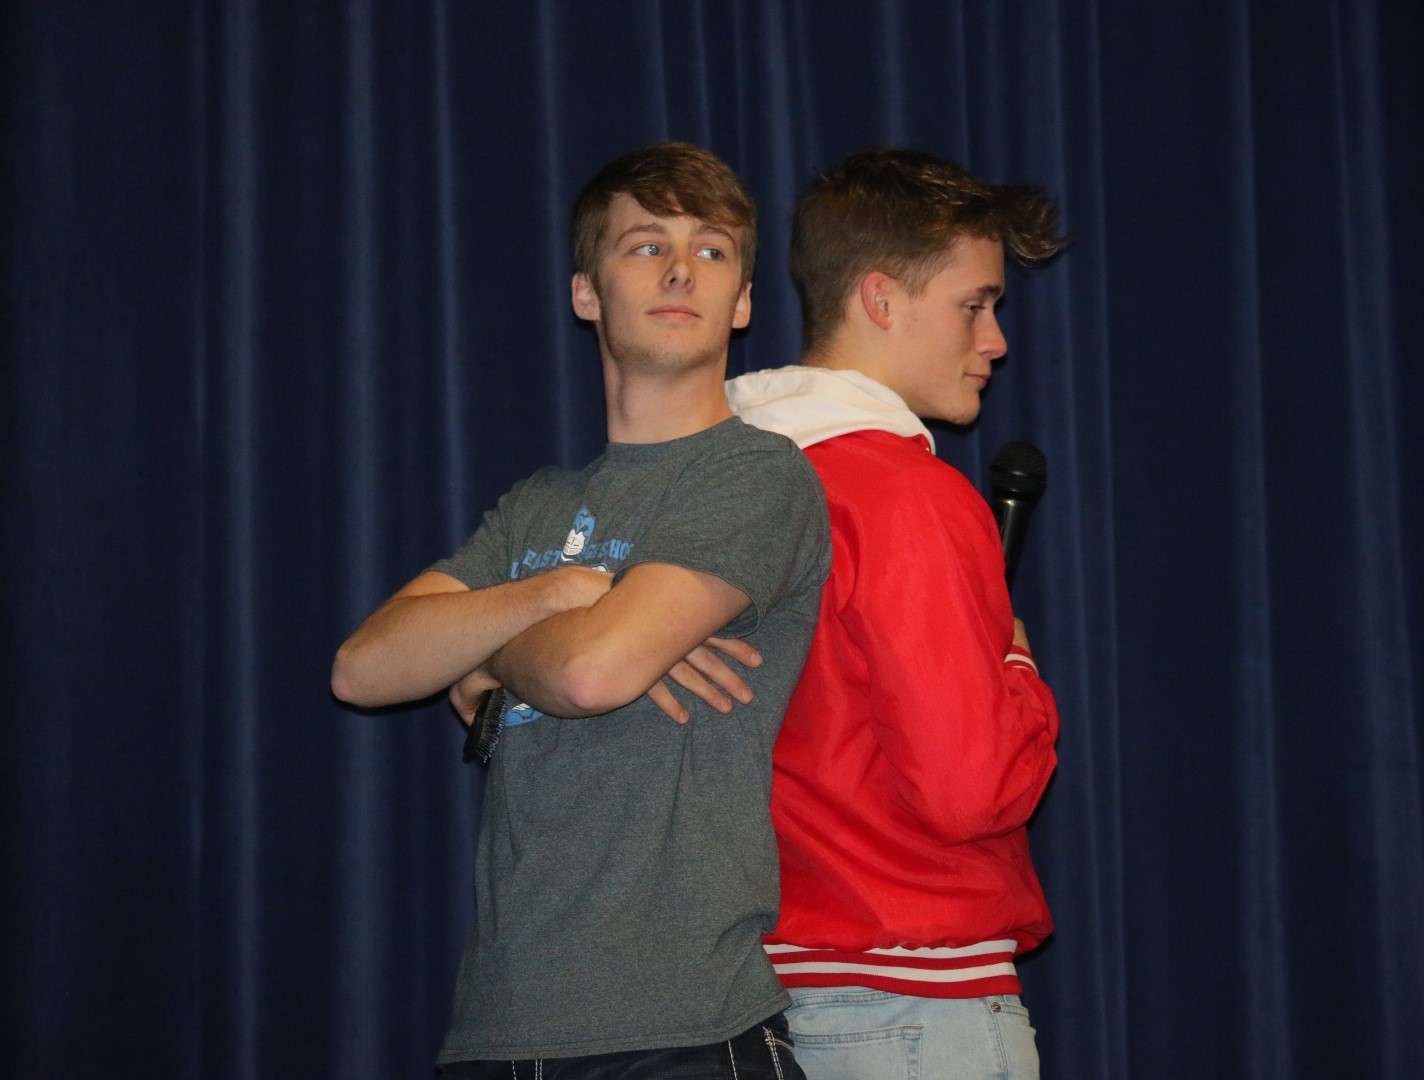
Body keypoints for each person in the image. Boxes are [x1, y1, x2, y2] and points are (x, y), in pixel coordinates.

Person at [332, 142, 828, 1078]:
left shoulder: (758, 474)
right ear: (586, 293)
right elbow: (363, 668)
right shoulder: (537, 506)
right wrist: (557, 595)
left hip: (682, 1030)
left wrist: (488, 656)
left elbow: (592, 674)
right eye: (646, 246)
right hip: (500, 1027)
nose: (681, 270)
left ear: (744, 302)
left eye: (712, 250)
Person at [725, 146, 1064, 1079]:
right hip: (914, 1003)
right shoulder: (907, 494)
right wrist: (1017, 669)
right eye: (974, 305)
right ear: (880, 298)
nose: (996, 341)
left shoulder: (721, 484)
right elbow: (967, 788)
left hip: (766, 996)